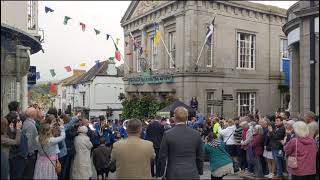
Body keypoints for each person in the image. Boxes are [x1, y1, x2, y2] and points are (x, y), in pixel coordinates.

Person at [158, 107, 204, 179]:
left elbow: (162, 156)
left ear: (175, 118)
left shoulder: (168, 134)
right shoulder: (196, 134)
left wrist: (160, 173)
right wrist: (200, 170)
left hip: (173, 173)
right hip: (192, 172)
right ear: (187, 118)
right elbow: (200, 156)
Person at [6, 112, 28, 180]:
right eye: (18, 120)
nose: (20, 121)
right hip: (18, 161)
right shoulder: (20, 134)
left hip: (10, 160)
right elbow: (24, 151)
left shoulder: (6, 132)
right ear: (13, 122)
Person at [22, 107, 39, 179]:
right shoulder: (30, 125)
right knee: (29, 174)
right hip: (30, 154)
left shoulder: (27, 122)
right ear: (33, 115)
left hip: (29, 154)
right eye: (36, 112)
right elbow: (29, 142)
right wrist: (30, 154)